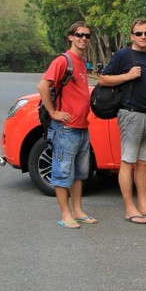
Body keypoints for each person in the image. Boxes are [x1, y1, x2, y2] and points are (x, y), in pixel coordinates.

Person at [99, 19, 146, 225]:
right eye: (139, 33)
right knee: (128, 162)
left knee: (143, 163)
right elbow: (103, 79)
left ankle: (143, 206)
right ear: (132, 36)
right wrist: (127, 76)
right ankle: (130, 208)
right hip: (131, 113)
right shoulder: (123, 55)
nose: (143, 37)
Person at [37, 21, 96, 229]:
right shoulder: (63, 61)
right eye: (79, 35)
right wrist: (54, 112)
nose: (83, 39)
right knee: (62, 173)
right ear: (70, 37)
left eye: (87, 36)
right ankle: (66, 215)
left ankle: (77, 211)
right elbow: (43, 85)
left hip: (82, 127)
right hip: (65, 129)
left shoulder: (81, 62)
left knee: (79, 174)